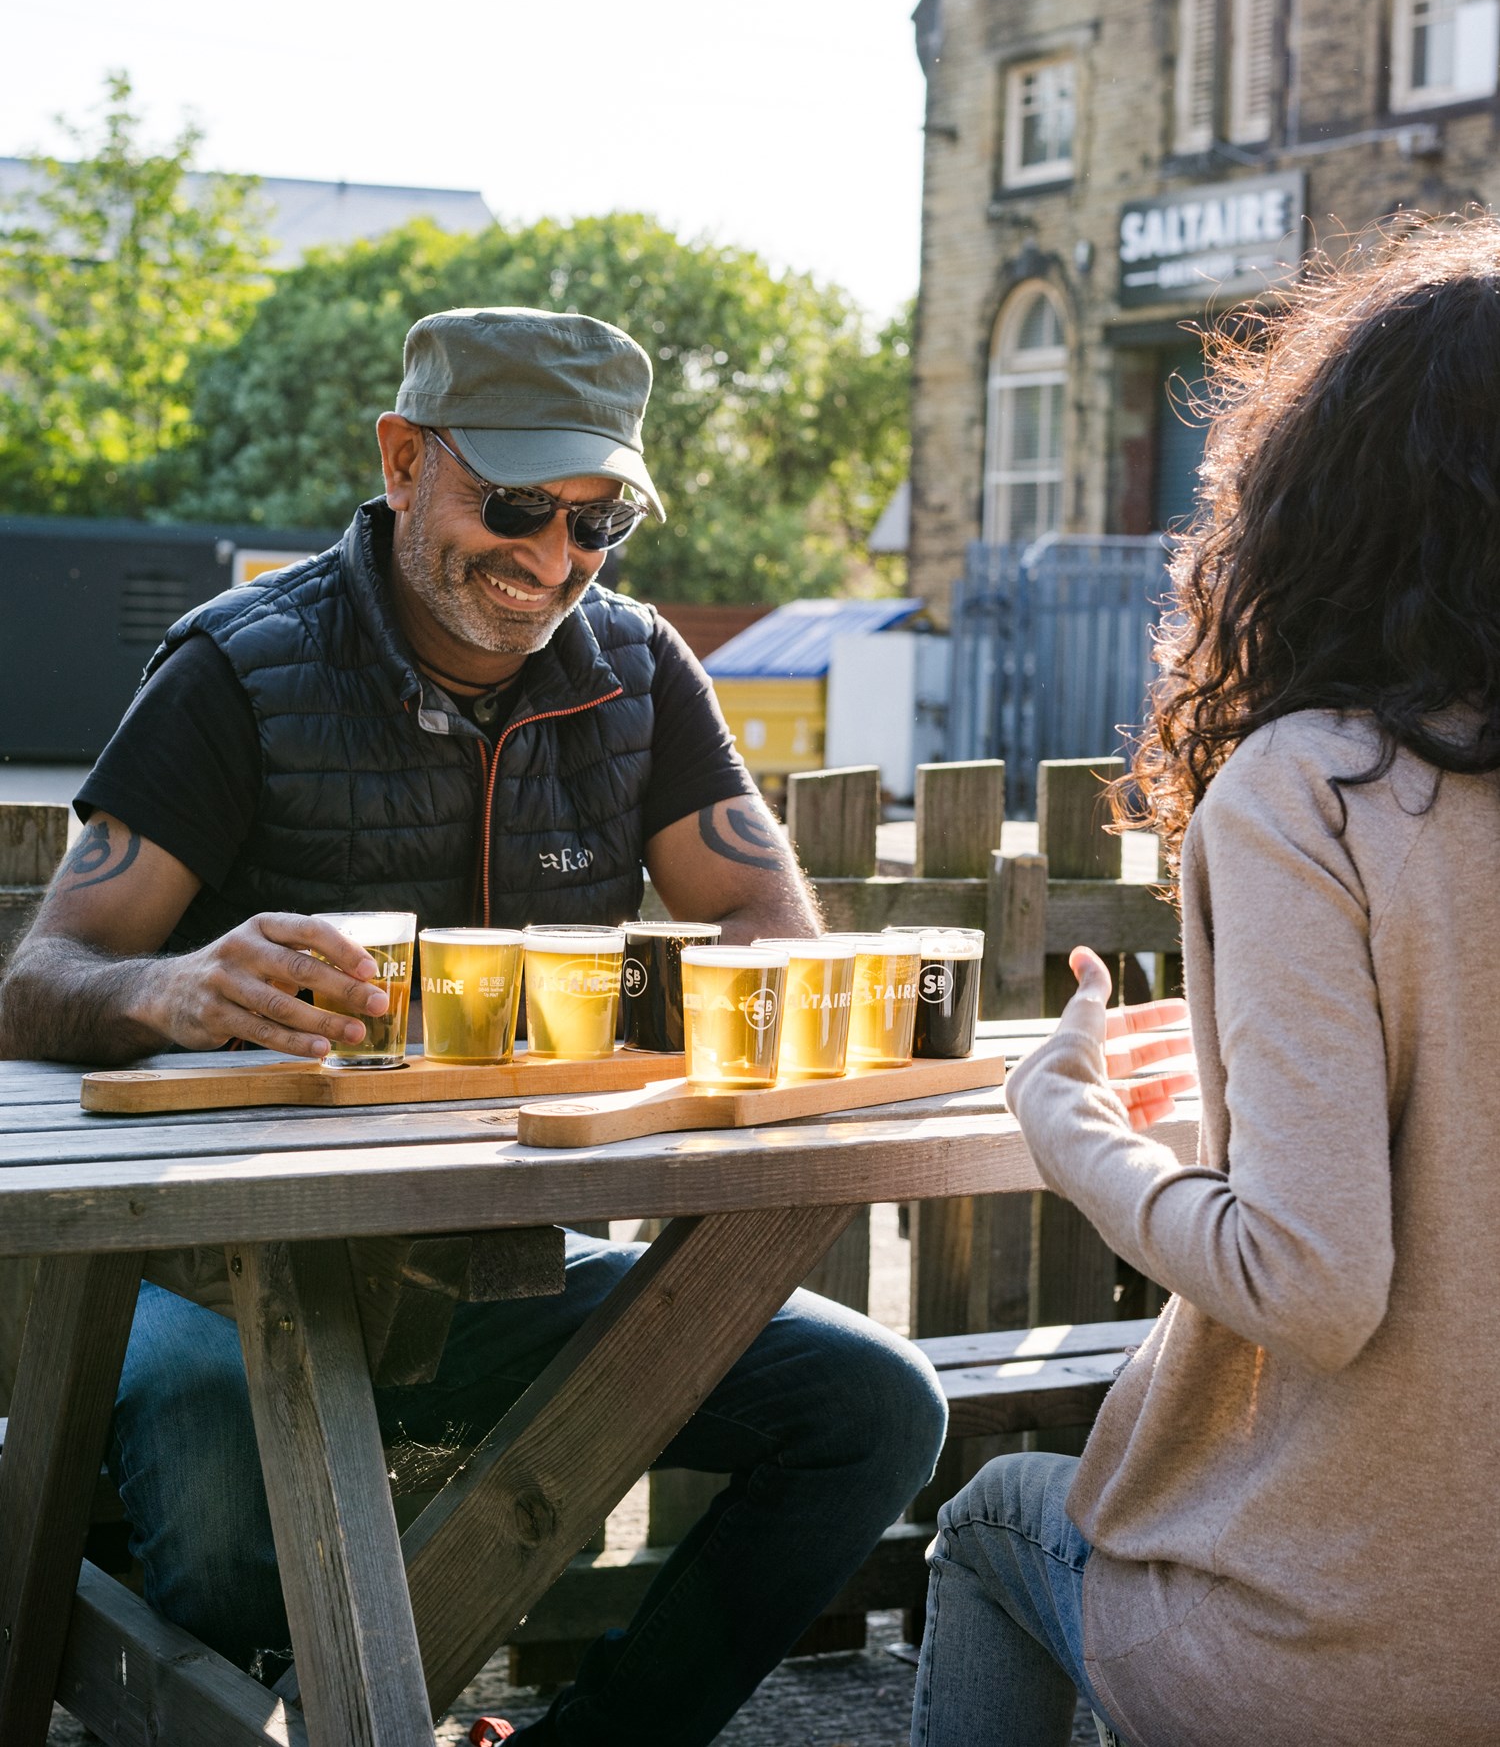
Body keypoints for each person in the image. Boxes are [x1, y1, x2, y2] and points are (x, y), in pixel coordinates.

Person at [0, 306, 947, 1739]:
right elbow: (38, 978)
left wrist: (641, 1008)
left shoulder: (633, 668)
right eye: (515, 503)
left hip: (501, 1267)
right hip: (214, 1276)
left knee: (878, 1409)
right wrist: (172, 987)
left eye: (598, 518)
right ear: (400, 460)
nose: (553, 557)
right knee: (250, 1557)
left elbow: (774, 940)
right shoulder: (236, 667)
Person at [911, 228, 1500, 1747]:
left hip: (1357, 1657)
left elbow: (1312, 1281)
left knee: (990, 1526)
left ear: (1327, 500)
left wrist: (1074, 1126)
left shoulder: (1311, 790)